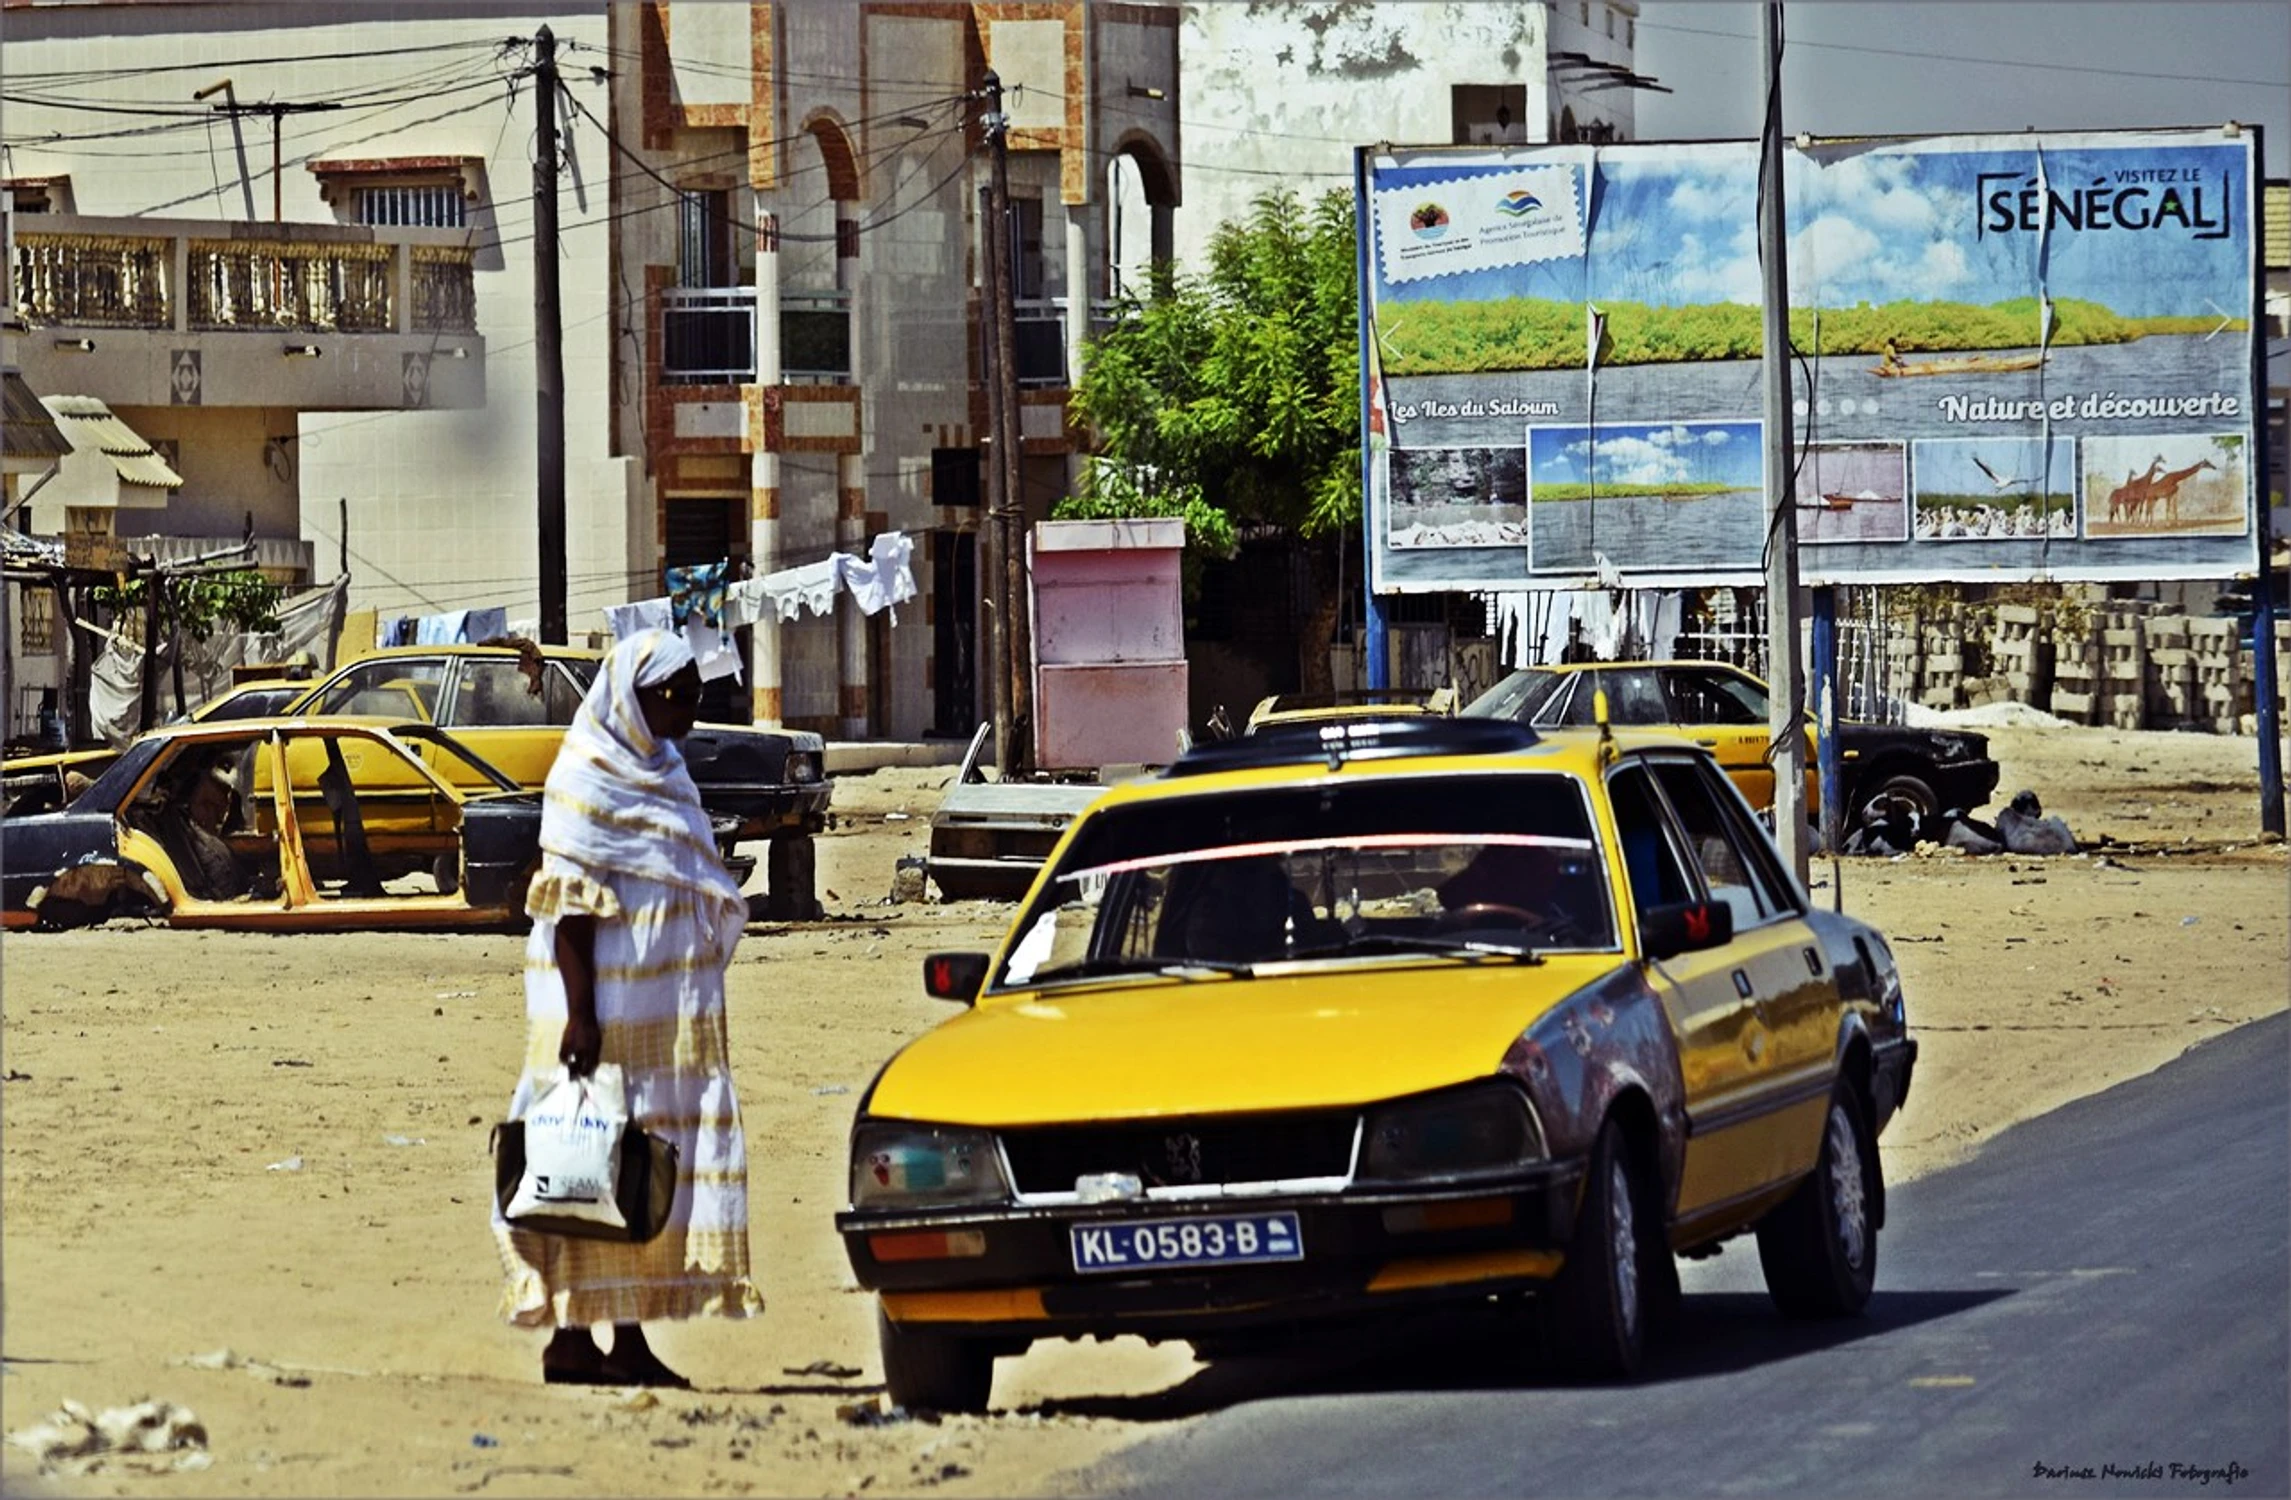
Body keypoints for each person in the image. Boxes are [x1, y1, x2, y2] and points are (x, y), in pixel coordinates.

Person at [491, 630, 762, 1388]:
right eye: (675, 696)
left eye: (694, 696)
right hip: (599, 1011)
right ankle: (574, 1340)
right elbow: (570, 911)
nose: (689, 710)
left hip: (663, 1022)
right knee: (582, 1159)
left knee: (638, 1170)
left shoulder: (667, 772)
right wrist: (583, 1017)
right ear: (631, 698)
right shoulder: (584, 776)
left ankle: (622, 1339)